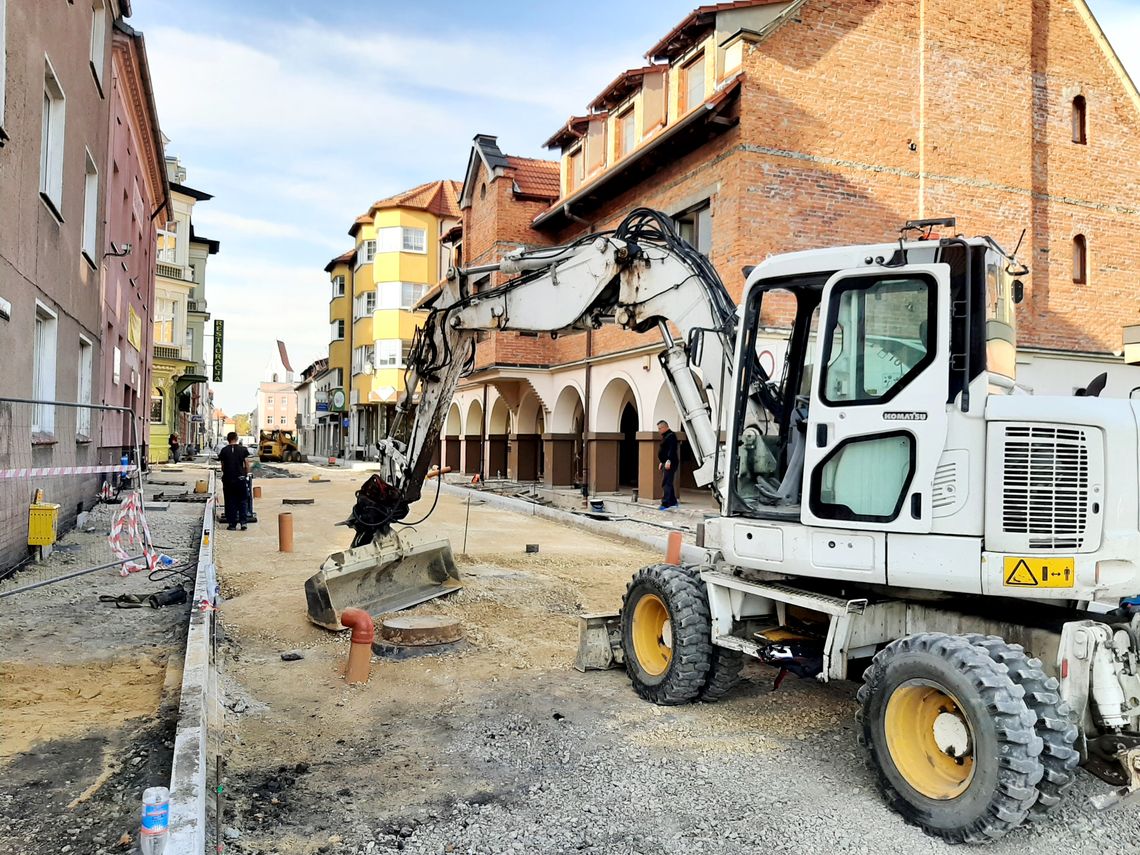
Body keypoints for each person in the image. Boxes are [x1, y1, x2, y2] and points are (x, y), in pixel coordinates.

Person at [218, 431, 252, 530]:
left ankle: (232, 524)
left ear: (228, 439)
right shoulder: (243, 450)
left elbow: (223, 466)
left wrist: (226, 473)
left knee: (230, 501)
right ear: (236, 439)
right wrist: (246, 474)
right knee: (243, 500)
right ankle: (243, 523)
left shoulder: (224, 450)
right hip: (240, 479)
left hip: (228, 479)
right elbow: (247, 463)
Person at [657, 419, 679, 511]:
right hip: (665, 462)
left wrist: (669, 460)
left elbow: (672, 449)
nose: (659, 430)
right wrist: (661, 462)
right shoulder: (665, 436)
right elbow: (664, 450)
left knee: (666, 483)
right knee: (668, 482)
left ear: (665, 427)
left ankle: (665, 503)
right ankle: (673, 502)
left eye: (659, 428)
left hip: (670, 462)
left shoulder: (671, 436)